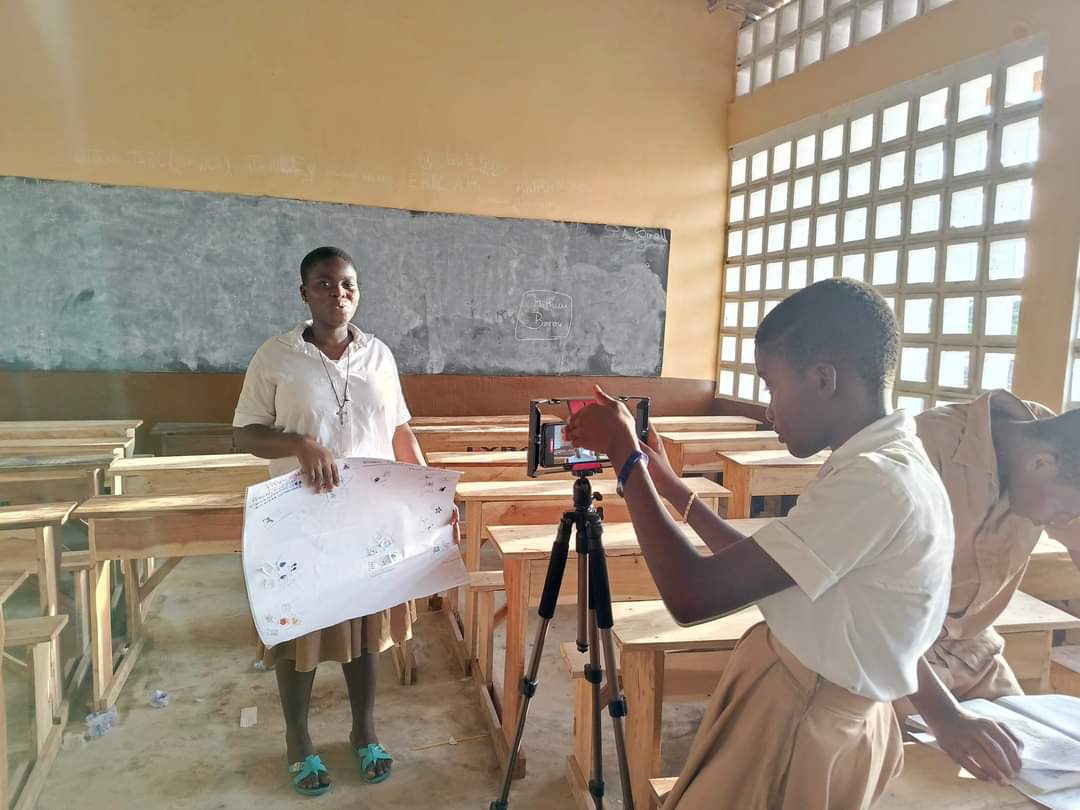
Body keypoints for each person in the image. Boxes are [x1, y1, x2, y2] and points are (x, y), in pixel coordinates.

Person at [566, 278, 955, 809]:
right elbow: (759, 566)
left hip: (803, 717)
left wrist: (626, 459)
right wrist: (670, 486)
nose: (768, 410)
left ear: (823, 379)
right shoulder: (887, 462)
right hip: (808, 696)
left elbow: (692, 596)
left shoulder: (874, 483)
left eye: (771, 385)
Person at [234, 245, 448, 796]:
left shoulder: (379, 355)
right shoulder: (275, 356)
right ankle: (298, 741)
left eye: (348, 284)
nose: (339, 294)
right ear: (304, 293)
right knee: (298, 633)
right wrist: (299, 443)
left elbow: (400, 429)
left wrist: (429, 494)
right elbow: (244, 433)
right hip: (300, 519)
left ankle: (364, 732)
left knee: (363, 630)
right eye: (325, 284)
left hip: (367, 517)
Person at [899, 393, 1080, 785]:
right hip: (896, 657)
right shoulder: (923, 449)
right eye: (1065, 511)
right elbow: (870, 608)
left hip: (975, 654)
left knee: (1038, 777)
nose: (1062, 522)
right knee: (913, 786)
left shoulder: (1059, 449)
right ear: (1040, 464)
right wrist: (945, 718)